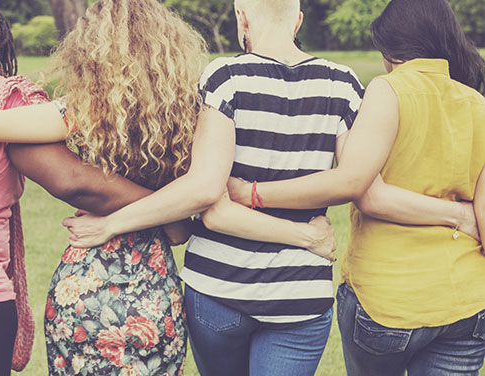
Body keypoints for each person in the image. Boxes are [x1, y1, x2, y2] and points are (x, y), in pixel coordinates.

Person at [0, 0, 342, 374]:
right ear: (170, 49)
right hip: (154, 288)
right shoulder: (189, 113)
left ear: (90, 49)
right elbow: (202, 195)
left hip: (85, 286)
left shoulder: (82, 110)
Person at [62, 1, 483, 375]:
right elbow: (361, 182)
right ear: (298, 21)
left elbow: (205, 190)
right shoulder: (343, 83)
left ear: (241, 17)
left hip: (218, 289)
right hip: (301, 293)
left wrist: (110, 225)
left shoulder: (225, 76)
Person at [218, 0, 485, 374]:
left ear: (391, 49)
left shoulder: (389, 91)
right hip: (466, 306)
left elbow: (360, 187)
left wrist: (253, 193)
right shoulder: (478, 104)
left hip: (389, 300)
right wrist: (459, 214)